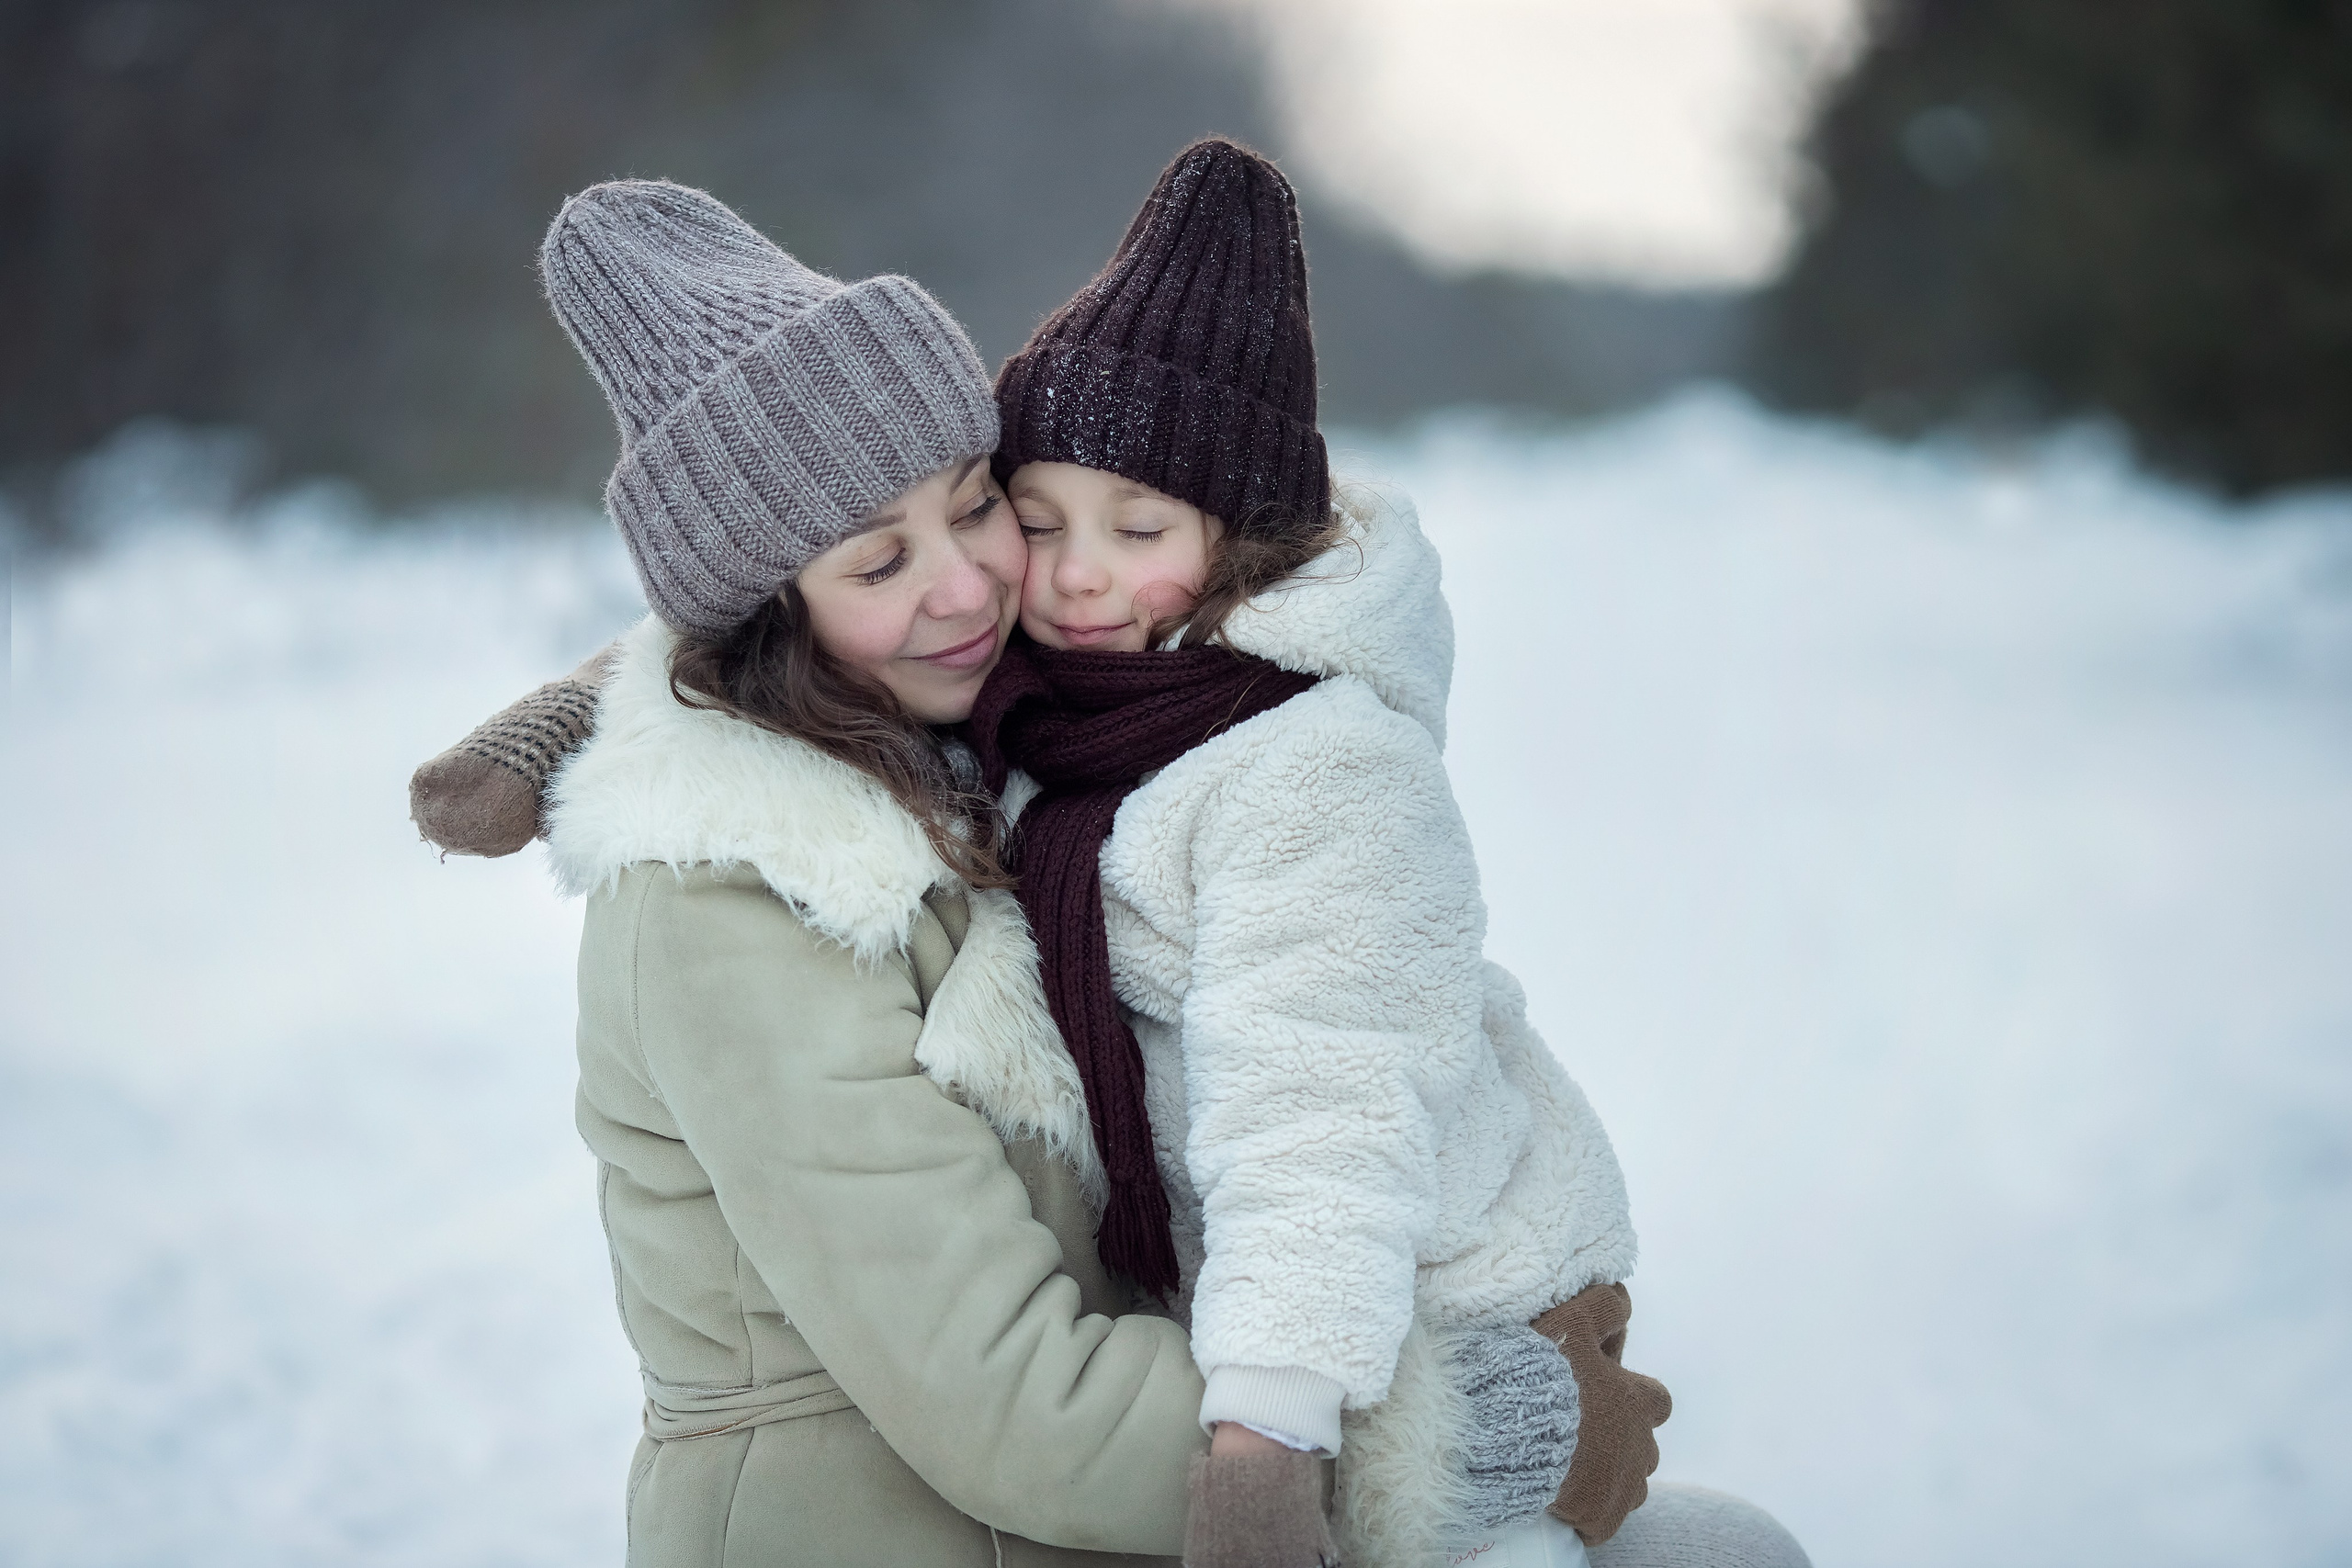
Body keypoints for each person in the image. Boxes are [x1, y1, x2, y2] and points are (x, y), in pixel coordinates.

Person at [413, 169, 1808, 1568]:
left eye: (973, 507)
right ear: (767, 616)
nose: (972, 586)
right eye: (879, 559)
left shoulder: (964, 719)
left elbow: (1321, 1076)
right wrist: (1455, 1443)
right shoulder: (731, 906)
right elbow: (1008, 1400)